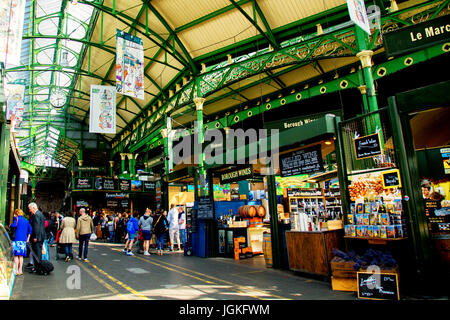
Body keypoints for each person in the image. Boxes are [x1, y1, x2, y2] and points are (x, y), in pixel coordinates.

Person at [10, 209, 32, 276]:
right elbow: (30, 229)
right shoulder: (26, 220)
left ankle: (16, 270)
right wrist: (28, 238)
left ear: (16, 213)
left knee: (16, 256)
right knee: (21, 256)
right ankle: (20, 270)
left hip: (16, 239)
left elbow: (13, 226)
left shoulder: (16, 219)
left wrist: (10, 225)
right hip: (23, 240)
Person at [28, 202, 46, 273]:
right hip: (41, 236)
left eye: (30, 209)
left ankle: (37, 268)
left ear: (33, 208)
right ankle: (38, 267)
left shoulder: (36, 215)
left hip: (37, 237)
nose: (29, 211)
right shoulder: (40, 214)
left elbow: (36, 227)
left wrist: (35, 237)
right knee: (38, 252)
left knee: (37, 252)